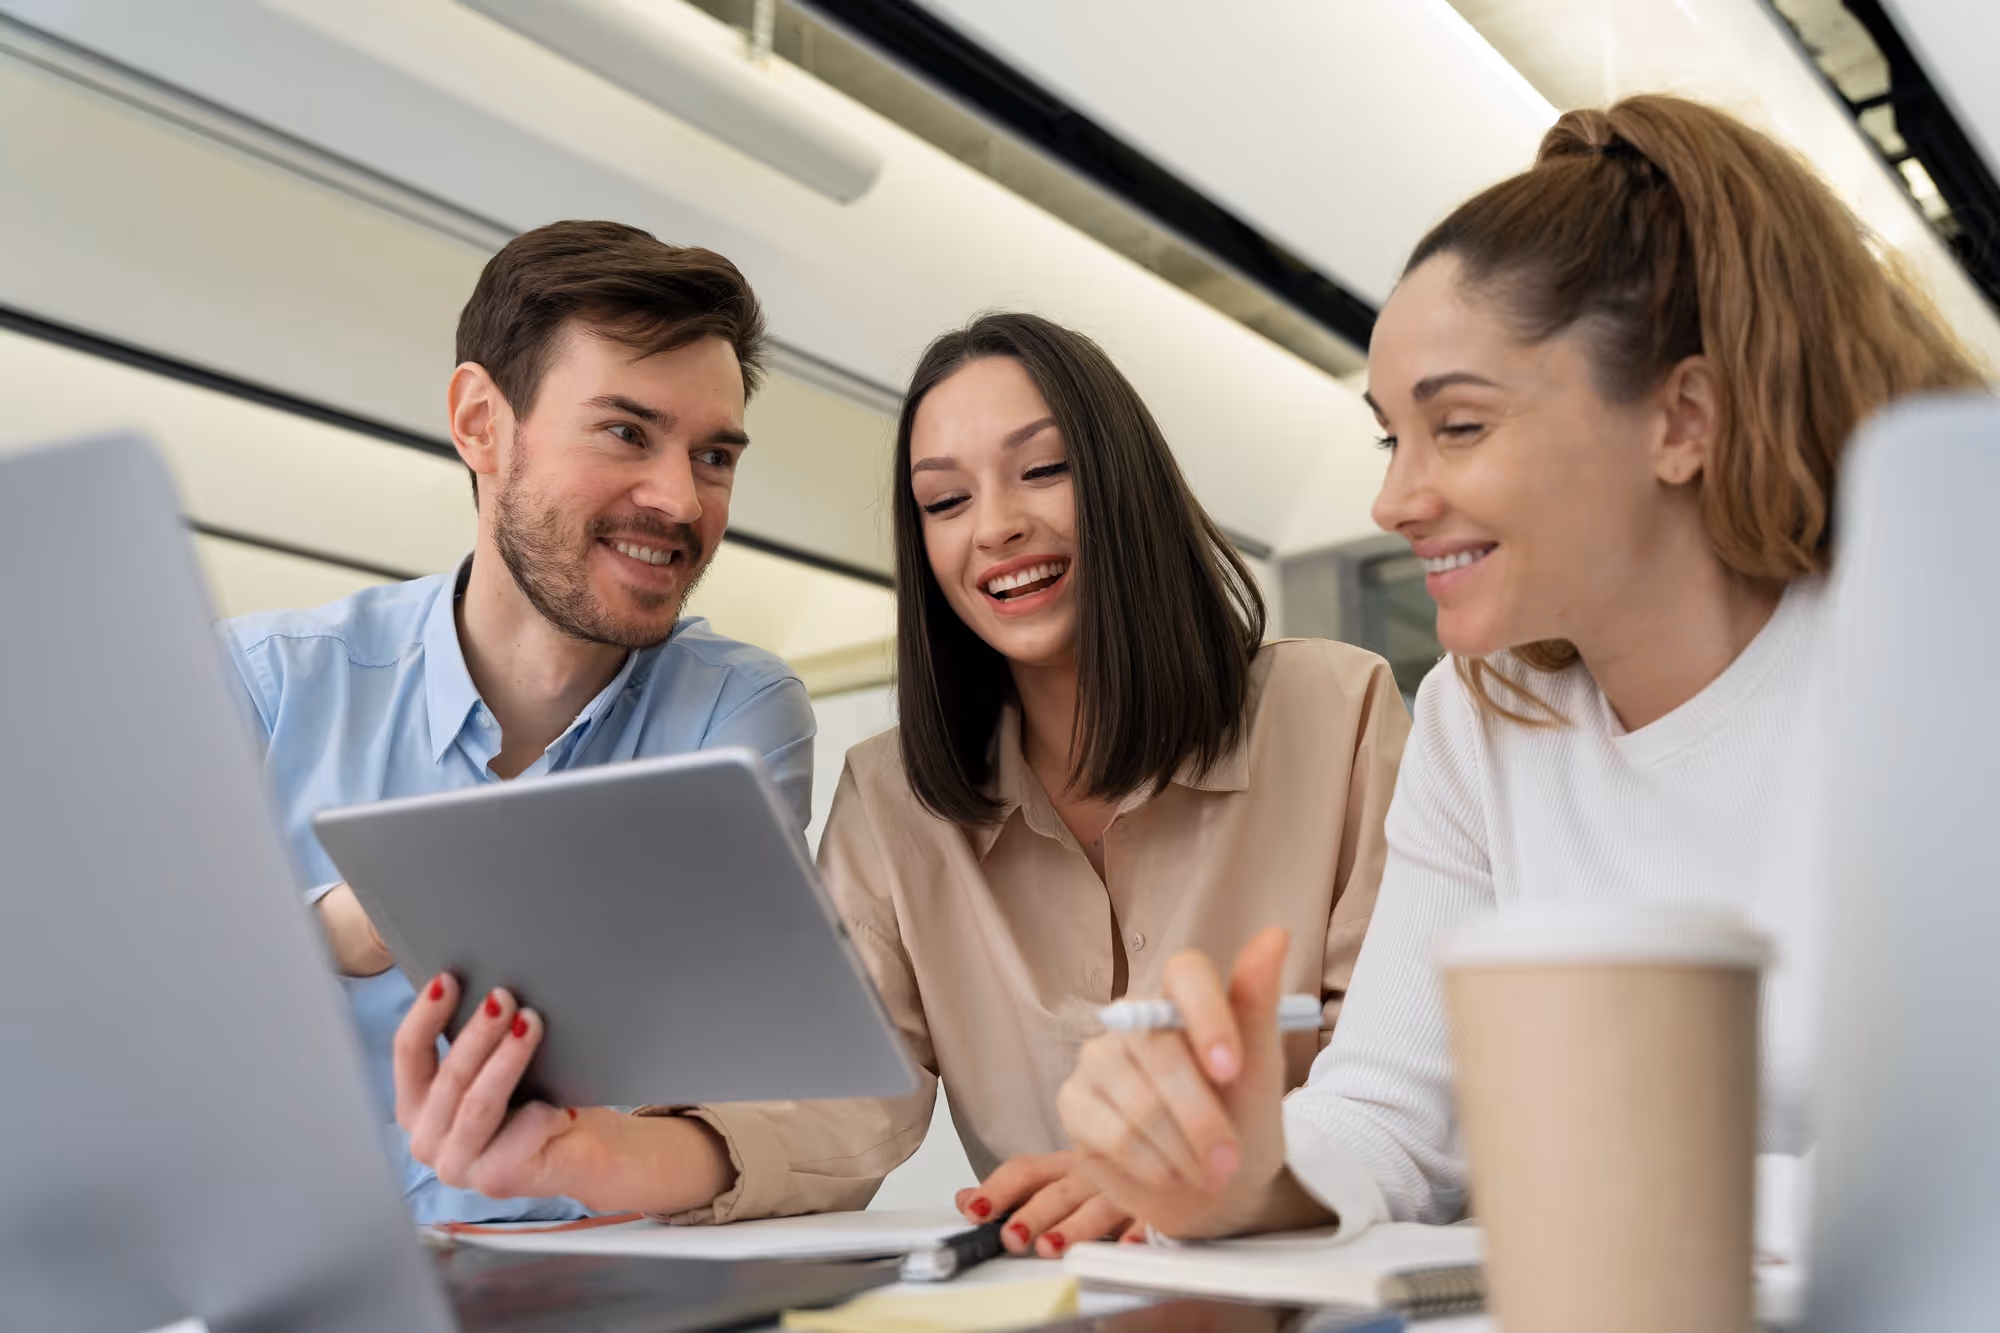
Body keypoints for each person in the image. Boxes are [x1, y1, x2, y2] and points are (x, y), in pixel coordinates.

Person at [1054, 94, 1989, 1240]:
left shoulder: (1941, 653)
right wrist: (1236, 1164)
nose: (1393, 500)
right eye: (1389, 437)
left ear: (1681, 420)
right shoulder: (1480, 715)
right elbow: (1388, 1113)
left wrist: (1594, 1193)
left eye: (1457, 427)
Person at [392, 312, 1408, 1254]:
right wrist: (587, 1151)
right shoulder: (892, 800)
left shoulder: (1336, 712)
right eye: (945, 501)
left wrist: (1196, 1177)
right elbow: (834, 1103)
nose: (995, 527)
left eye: (1042, 470)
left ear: (1123, 481)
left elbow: (1396, 1081)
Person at [223, 219, 816, 1224]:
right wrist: (343, 923)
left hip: (598, 1277)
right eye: (626, 432)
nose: (680, 499)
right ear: (480, 424)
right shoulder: (264, 686)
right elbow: (119, 992)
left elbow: (732, 1074)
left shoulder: (736, 714)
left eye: (713, 455)